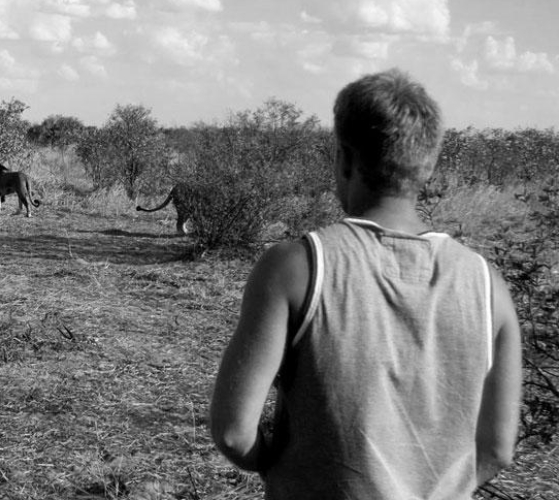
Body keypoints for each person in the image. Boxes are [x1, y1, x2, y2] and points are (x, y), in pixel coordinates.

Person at [210, 68, 522, 499]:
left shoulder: (297, 266)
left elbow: (233, 432)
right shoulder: (489, 286)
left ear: (344, 159)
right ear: (428, 165)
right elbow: (498, 448)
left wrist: (278, 467)